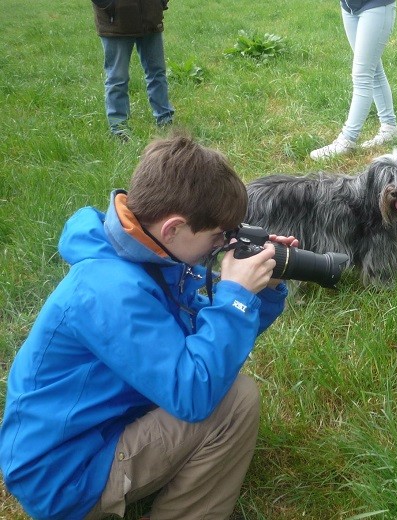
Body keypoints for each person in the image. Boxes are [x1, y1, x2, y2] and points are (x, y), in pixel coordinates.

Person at [0, 134, 298, 520]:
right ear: (173, 228)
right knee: (234, 401)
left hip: (90, 436)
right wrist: (235, 297)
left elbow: (203, 338)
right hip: (65, 475)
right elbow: (193, 392)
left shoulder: (147, 251)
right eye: (216, 237)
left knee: (217, 377)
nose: (221, 246)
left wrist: (263, 294)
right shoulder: (110, 290)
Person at [310, 0, 397, 160]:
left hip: (376, 5)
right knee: (374, 71)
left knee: (362, 75)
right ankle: (389, 128)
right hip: (349, 7)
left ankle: (347, 140)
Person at [92, 0, 176, 140]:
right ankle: (119, 129)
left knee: (158, 73)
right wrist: (109, 5)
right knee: (117, 78)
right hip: (116, 22)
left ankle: (165, 120)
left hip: (150, 17)